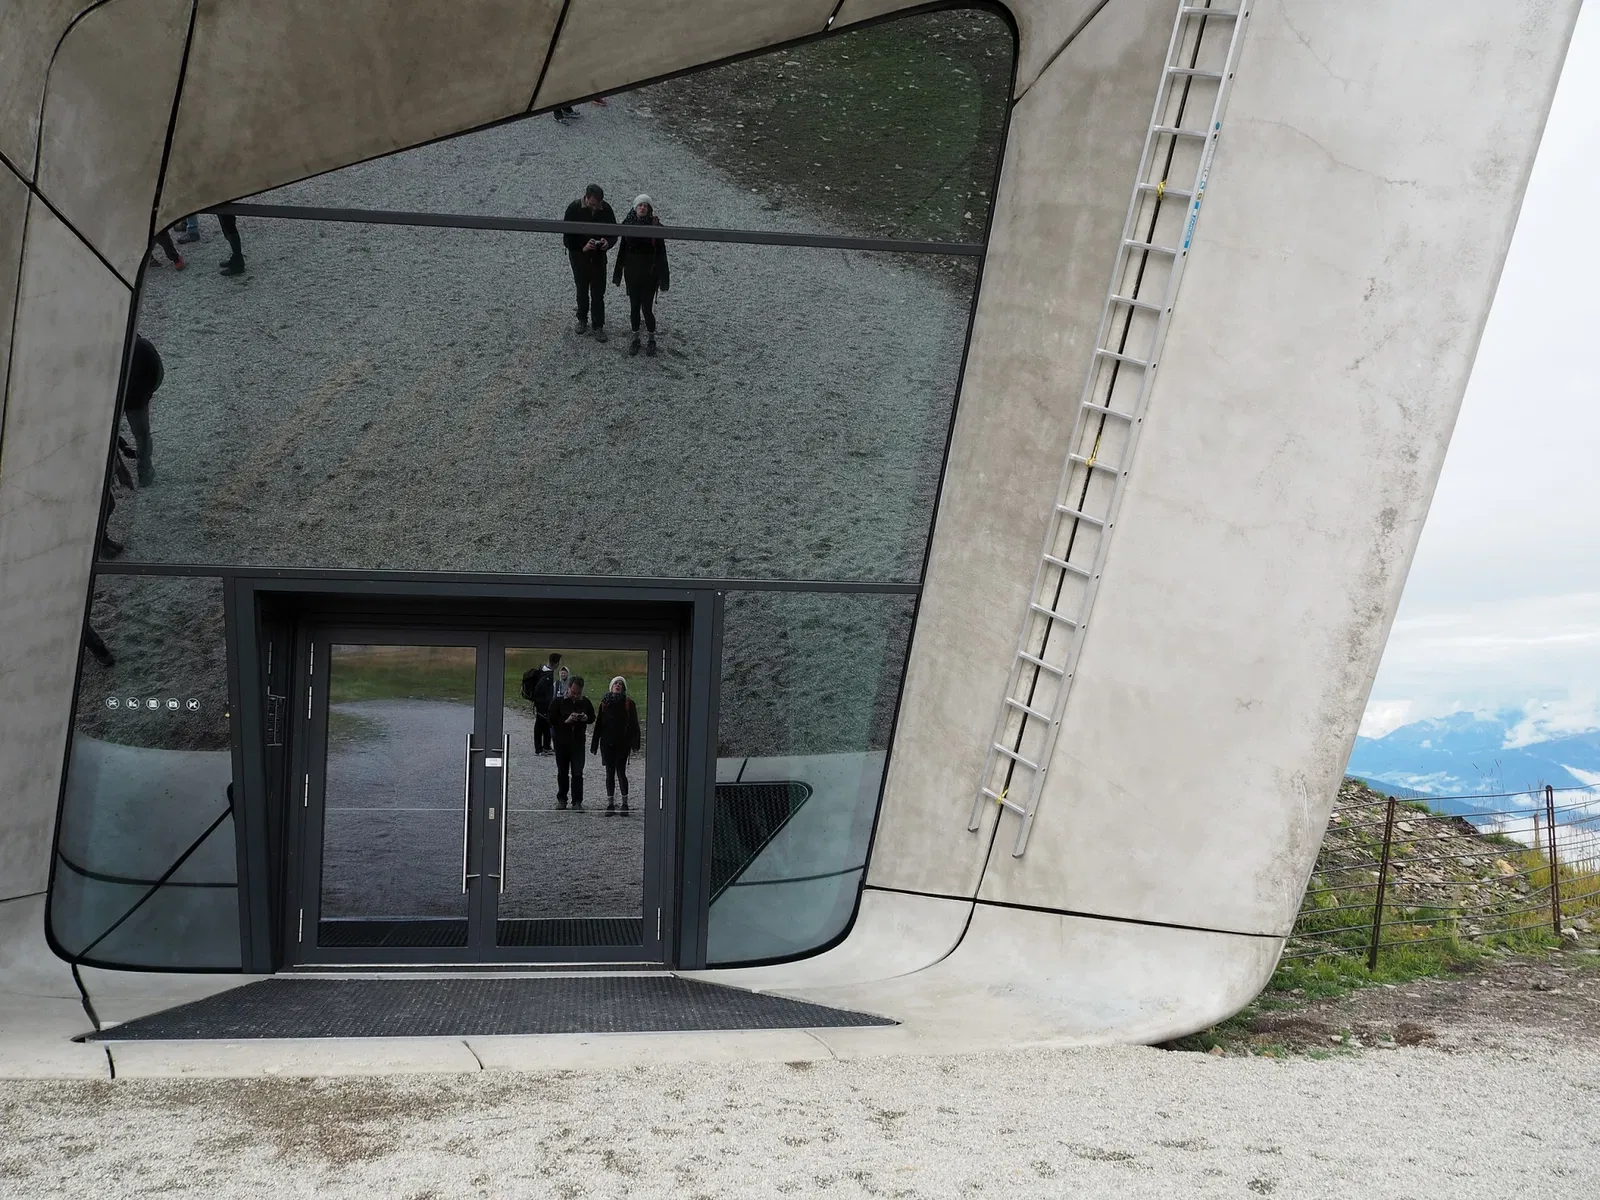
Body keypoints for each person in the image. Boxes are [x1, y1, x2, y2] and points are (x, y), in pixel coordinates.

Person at [612, 195, 669, 358]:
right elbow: (622, 251)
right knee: (634, 307)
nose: (643, 208)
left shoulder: (656, 226)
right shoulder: (627, 225)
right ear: (635, 208)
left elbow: (661, 255)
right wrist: (617, 274)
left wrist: (664, 278)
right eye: (640, 205)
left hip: (650, 274)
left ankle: (651, 340)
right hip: (632, 272)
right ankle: (635, 338)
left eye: (645, 206)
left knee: (647, 309)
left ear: (649, 209)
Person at [563, 184, 616, 341]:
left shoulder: (605, 209)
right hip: (579, 258)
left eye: (598, 205)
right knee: (581, 289)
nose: (595, 208)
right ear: (586, 198)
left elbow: (614, 232)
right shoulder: (573, 209)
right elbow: (567, 238)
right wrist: (582, 247)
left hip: (599, 257)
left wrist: (608, 243)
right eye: (593, 204)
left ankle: (598, 325)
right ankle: (582, 319)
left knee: (598, 292)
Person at [590, 676, 641, 813]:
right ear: (611, 687)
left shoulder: (629, 703)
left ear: (623, 688)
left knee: (621, 772)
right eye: (615, 684)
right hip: (607, 743)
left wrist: (635, 743)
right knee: (609, 773)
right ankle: (610, 804)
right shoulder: (604, 703)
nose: (618, 685)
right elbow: (599, 724)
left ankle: (625, 804)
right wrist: (594, 744)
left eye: (620, 684)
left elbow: (635, 724)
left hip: (623, 743)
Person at [547, 675, 595, 810]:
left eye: (578, 693)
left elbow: (592, 717)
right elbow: (551, 719)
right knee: (562, 771)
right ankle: (562, 799)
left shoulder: (585, 702)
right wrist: (565, 721)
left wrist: (585, 718)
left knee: (578, 772)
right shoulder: (558, 701)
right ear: (569, 687)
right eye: (574, 692)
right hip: (561, 742)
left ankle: (577, 801)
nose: (575, 695)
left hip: (578, 742)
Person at [123, 335, 164, 487]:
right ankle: (144, 470)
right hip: (137, 397)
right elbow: (157, 374)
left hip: (134, 397)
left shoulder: (140, 348)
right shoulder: (142, 347)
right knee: (142, 435)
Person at [522, 652, 561, 755]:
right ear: (556, 663)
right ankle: (539, 749)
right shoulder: (547, 675)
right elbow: (540, 689)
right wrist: (544, 701)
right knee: (540, 726)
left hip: (543, 704)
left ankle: (546, 746)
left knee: (546, 724)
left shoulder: (543, 671)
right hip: (542, 704)